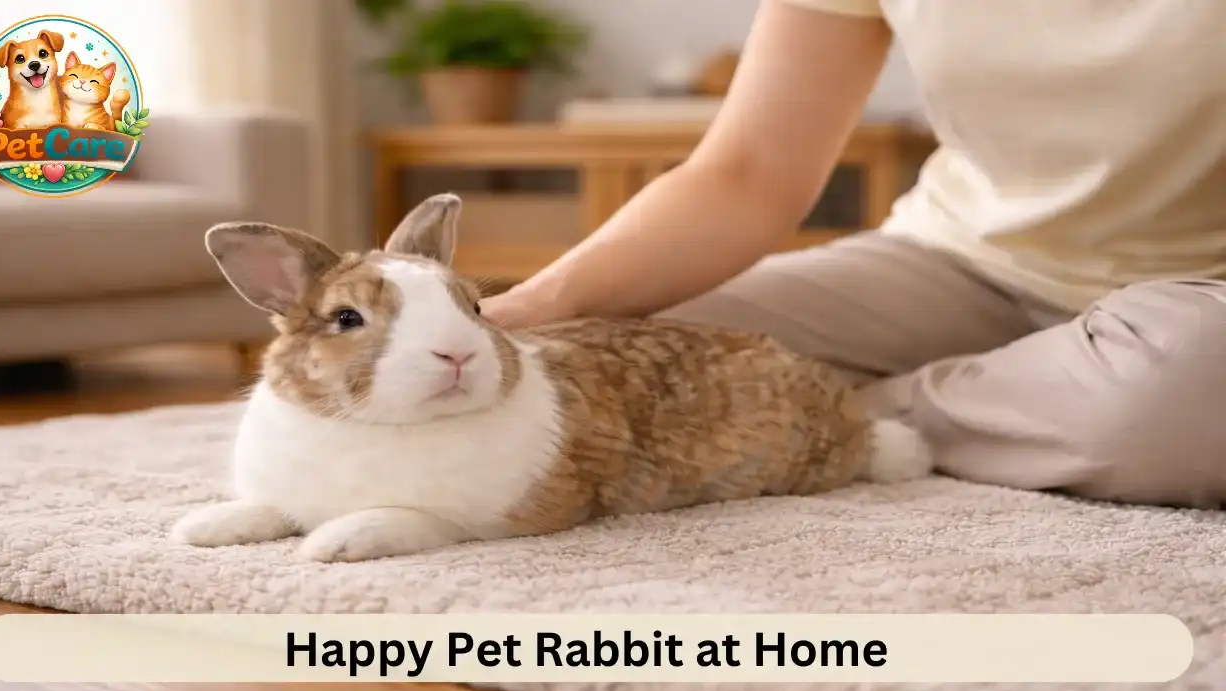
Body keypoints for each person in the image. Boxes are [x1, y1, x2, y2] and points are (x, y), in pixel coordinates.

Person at [479, 0, 1226, 509]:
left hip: (1198, 307)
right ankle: (1018, 405)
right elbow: (748, 173)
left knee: (1181, 394)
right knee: (609, 353)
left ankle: (846, 420)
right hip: (959, 261)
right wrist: (529, 308)